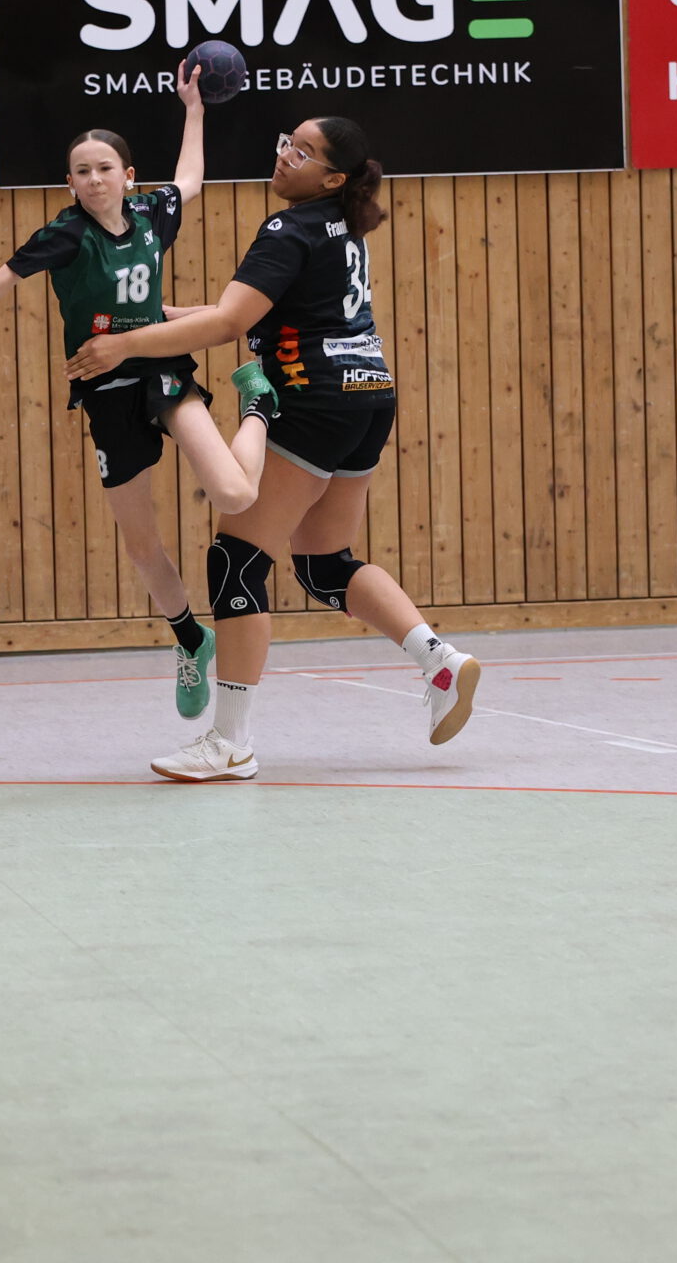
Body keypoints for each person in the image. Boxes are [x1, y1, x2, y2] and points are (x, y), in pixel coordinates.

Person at [66, 116, 481, 781]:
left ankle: (230, 743)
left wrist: (124, 345)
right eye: (288, 142)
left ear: (333, 177)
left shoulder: (289, 228)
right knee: (324, 563)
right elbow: (258, 313)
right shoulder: (339, 224)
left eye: (304, 152)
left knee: (236, 559)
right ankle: (441, 662)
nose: (286, 155)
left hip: (314, 402)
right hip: (368, 394)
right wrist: (157, 318)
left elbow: (231, 322)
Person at [0, 62, 274, 719]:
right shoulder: (66, 235)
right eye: (82, 171)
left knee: (233, 493)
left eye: (105, 168)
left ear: (128, 176)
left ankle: (258, 402)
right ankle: (190, 637)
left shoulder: (152, 213)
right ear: (70, 183)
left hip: (161, 369)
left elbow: (190, 179)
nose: (95, 178)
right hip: (105, 390)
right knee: (141, 543)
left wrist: (194, 109)